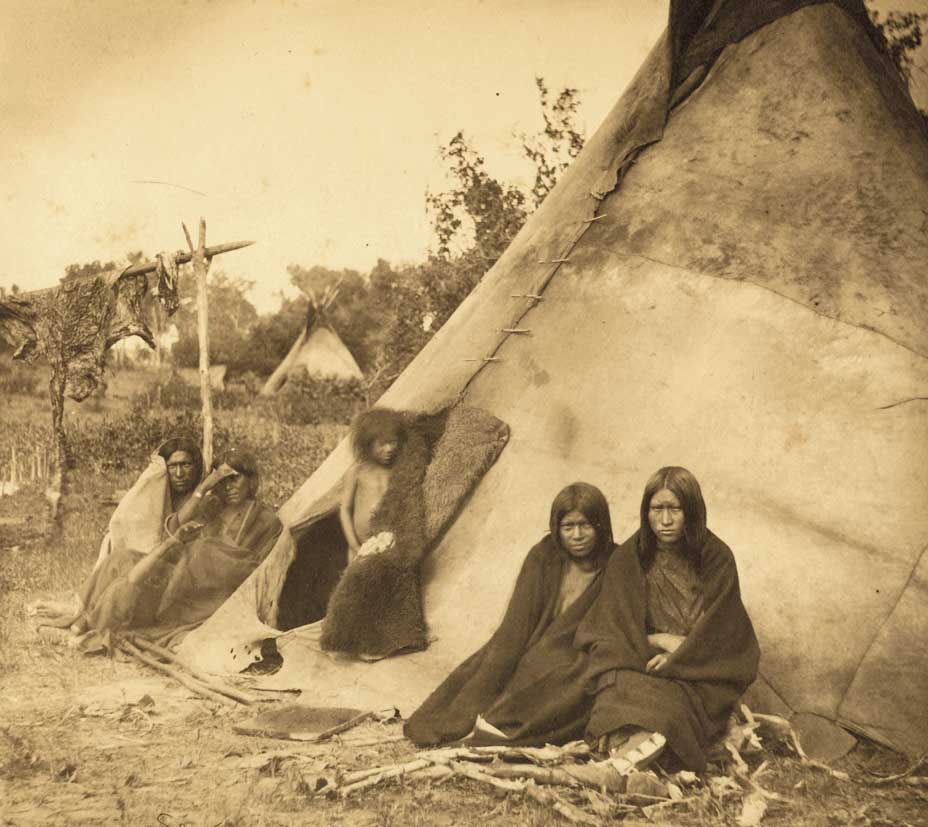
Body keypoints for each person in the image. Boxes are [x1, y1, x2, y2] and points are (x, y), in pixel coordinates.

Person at [404, 482, 617, 747]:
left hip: (575, 652)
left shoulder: (615, 564)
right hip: (528, 640)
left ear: (600, 525)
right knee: (491, 668)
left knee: (563, 680)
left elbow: (612, 622)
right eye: (568, 527)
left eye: (585, 526)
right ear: (556, 528)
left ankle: (501, 726)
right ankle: (470, 723)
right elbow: (517, 624)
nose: (577, 535)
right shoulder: (544, 556)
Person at [576, 467, 760, 772]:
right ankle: (624, 753)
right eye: (656, 509)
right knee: (615, 694)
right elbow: (611, 627)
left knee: (670, 712)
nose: (664, 520)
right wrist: (658, 641)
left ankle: (632, 758)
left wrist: (682, 654)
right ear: (645, 512)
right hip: (643, 661)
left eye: (674, 509)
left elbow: (725, 630)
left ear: (692, 511)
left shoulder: (716, 557)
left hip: (698, 669)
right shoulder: (629, 558)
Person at [64, 451, 282, 645]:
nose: (229, 486)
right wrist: (205, 486)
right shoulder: (213, 507)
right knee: (122, 558)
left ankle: (93, 622)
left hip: (203, 593)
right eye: (224, 481)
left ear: (251, 480)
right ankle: (85, 614)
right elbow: (176, 526)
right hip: (179, 574)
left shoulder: (264, 519)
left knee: (142, 575)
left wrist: (204, 552)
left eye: (236, 479)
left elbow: (252, 567)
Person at [339, 408, 406, 559]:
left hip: (389, 544)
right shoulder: (357, 472)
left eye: (392, 442)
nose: (389, 449)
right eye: (382, 444)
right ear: (367, 444)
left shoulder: (396, 470)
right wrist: (354, 545)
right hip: (361, 547)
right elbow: (345, 510)